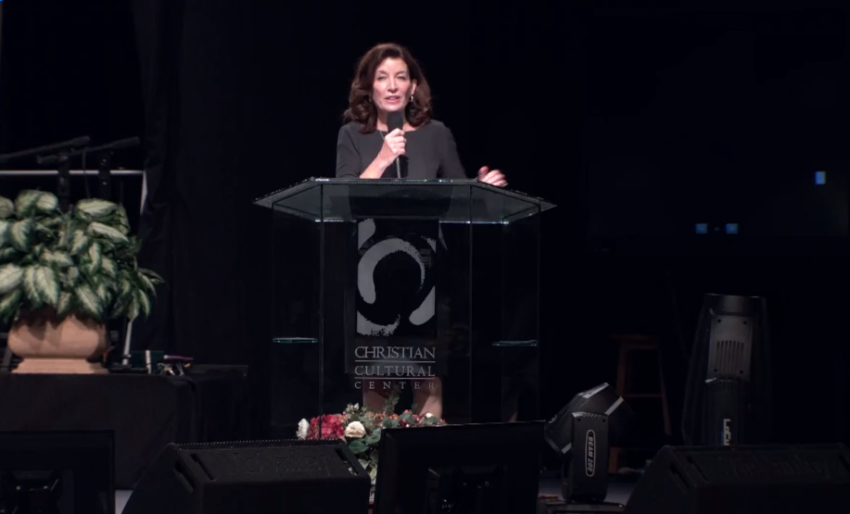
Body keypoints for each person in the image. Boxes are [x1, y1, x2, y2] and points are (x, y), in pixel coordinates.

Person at [336, 43, 507, 419]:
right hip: (371, 271)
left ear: (414, 86)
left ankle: (425, 469)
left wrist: (481, 187)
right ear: (369, 87)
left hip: (428, 269)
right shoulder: (352, 135)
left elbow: (459, 194)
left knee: (427, 375)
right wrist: (383, 157)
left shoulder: (436, 134)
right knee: (375, 378)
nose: (392, 86)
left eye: (401, 77)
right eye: (382, 78)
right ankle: (377, 467)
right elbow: (345, 198)